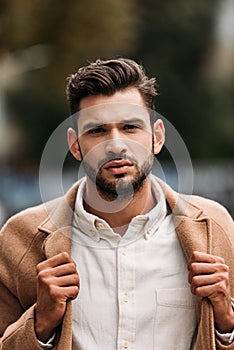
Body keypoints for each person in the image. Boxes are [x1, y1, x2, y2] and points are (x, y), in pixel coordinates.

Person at [0, 58, 233, 350]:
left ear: (157, 137)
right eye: (97, 131)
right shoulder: (19, 239)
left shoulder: (215, 229)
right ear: (75, 145)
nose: (116, 144)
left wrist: (226, 322)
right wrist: (41, 324)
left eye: (130, 127)